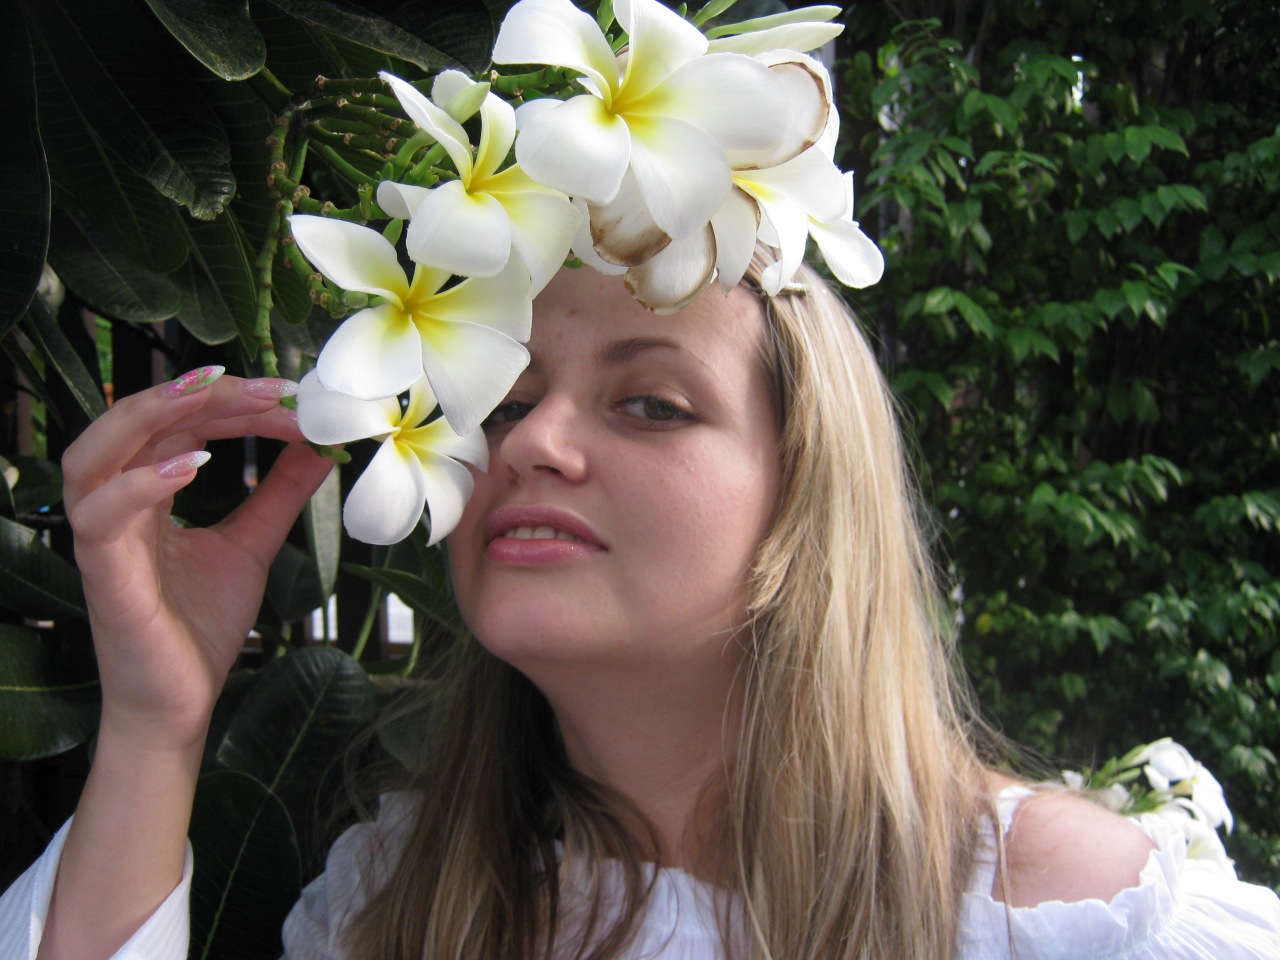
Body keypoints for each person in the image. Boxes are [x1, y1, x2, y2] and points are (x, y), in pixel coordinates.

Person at [3, 251, 1279, 960]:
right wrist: (156, 726)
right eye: (502, 403)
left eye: (650, 403)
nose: (529, 441)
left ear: (804, 496)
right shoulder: (397, 902)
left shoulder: (1067, 918)